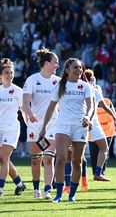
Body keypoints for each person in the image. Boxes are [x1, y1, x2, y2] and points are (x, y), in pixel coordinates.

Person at [40, 58, 93, 203]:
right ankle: (58, 194)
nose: (78, 70)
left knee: (77, 162)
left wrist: (88, 117)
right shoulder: (60, 86)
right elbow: (51, 107)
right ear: (67, 70)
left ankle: (72, 195)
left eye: (80, 67)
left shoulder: (85, 86)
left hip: (80, 126)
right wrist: (44, 127)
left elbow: (91, 105)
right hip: (62, 125)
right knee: (61, 158)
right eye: (75, 67)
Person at [22, 48, 60, 199]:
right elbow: (25, 103)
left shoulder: (58, 82)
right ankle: (36, 188)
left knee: (48, 158)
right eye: (55, 63)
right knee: (35, 160)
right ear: (46, 63)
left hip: (52, 124)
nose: (57, 65)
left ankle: (47, 190)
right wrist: (30, 115)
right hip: (35, 125)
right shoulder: (32, 80)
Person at [84, 69, 116, 181]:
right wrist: (114, 117)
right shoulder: (94, 89)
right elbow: (105, 106)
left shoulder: (75, 87)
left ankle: (76, 176)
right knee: (104, 148)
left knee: (75, 150)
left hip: (76, 120)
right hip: (91, 121)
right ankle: (97, 173)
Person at [0, 58, 27, 197]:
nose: (9, 75)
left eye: (11, 72)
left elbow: (24, 110)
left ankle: (0, 188)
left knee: (3, 158)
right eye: (6, 72)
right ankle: (20, 184)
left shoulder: (17, 91)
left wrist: (30, 124)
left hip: (11, 128)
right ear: (0, 75)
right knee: (3, 159)